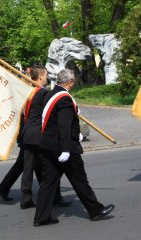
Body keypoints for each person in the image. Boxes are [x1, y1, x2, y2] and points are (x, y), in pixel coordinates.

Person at [33, 69, 115, 226]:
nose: (74, 83)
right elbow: (63, 125)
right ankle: (95, 211)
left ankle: (41, 217)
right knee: (79, 180)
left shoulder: (50, 94)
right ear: (70, 82)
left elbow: (56, 121)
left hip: (48, 145)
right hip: (63, 148)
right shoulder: (64, 99)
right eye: (74, 81)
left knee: (48, 183)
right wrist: (66, 148)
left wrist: (75, 131)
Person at [20, 66, 71, 209]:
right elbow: (51, 112)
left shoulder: (29, 91)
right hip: (38, 135)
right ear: (41, 76)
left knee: (29, 168)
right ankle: (55, 197)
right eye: (46, 74)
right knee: (52, 167)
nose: (47, 77)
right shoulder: (43, 93)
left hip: (27, 134)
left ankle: (26, 199)